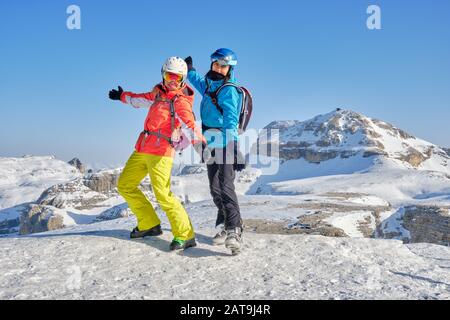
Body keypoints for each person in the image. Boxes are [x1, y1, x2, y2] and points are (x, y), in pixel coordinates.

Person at [108, 57, 205, 251]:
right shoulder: (158, 94)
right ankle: (149, 224)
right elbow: (139, 98)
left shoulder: (180, 101)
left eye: (177, 78)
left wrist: (199, 144)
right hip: (143, 147)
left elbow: (188, 123)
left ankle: (185, 235)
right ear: (163, 74)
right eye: (169, 75)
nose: (172, 81)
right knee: (125, 184)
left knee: (163, 194)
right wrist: (122, 96)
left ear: (183, 79)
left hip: (161, 151)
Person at [185, 48, 244, 255]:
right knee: (214, 188)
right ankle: (225, 223)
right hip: (209, 142)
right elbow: (198, 82)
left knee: (226, 186)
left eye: (223, 65)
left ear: (230, 69)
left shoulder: (229, 89)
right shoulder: (210, 84)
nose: (218, 68)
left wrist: (234, 148)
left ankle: (234, 231)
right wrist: (189, 70)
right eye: (215, 64)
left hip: (225, 141)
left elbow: (231, 120)